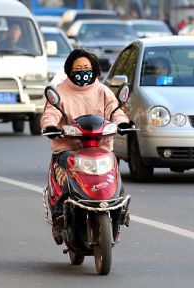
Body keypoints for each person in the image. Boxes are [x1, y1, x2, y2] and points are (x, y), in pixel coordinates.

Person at [40, 49, 130, 222]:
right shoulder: (60, 92)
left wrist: (122, 123)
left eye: (86, 67)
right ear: (69, 70)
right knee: (68, 173)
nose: (83, 71)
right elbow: (50, 113)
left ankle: (120, 208)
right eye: (78, 68)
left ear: (94, 69)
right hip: (68, 150)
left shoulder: (103, 91)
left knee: (113, 173)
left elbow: (115, 111)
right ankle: (60, 213)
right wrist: (49, 126)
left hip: (101, 148)